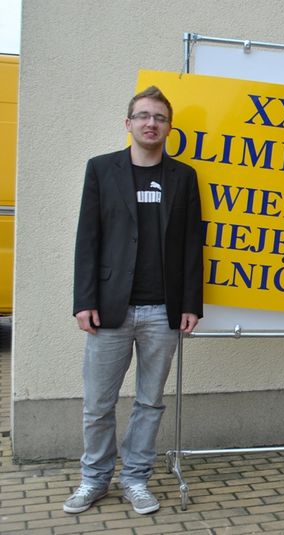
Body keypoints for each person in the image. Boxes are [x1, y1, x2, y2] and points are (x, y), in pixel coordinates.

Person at [64, 86, 203, 515]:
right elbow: (87, 238)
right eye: (143, 116)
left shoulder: (184, 177)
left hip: (163, 311)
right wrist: (84, 300)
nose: (151, 124)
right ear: (128, 123)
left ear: (169, 127)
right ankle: (94, 479)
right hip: (110, 308)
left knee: (149, 403)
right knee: (98, 404)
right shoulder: (101, 169)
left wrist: (191, 303)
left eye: (159, 117)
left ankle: (136, 479)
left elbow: (192, 245)